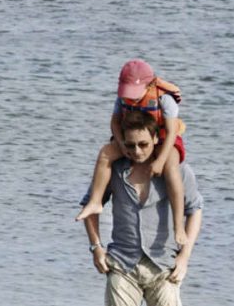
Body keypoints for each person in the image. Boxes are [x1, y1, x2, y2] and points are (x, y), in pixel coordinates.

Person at [80, 110, 204, 306]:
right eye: (130, 145)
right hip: (122, 264)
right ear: (121, 141)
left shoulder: (177, 170)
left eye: (143, 145)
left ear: (156, 139)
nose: (136, 151)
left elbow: (195, 210)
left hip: (164, 265)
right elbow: (90, 206)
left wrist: (184, 257)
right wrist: (96, 247)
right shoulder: (114, 169)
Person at [77, 59, 189, 246]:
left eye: (136, 92)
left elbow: (171, 132)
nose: (132, 97)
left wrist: (160, 160)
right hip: (131, 139)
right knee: (105, 153)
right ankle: (95, 201)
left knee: (171, 168)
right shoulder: (122, 99)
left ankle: (178, 225)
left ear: (150, 84)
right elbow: (115, 122)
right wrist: (122, 145)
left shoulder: (164, 99)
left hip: (163, 139)